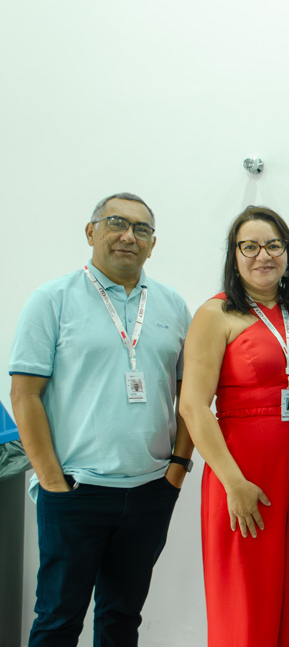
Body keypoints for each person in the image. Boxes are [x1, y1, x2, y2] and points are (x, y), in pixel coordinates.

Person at [9, 192, 193, 646]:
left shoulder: (172, 306)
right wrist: (52, 480)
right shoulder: (51, 300)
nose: (129, 236)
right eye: (116, 223)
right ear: (91, 232)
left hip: (150, 491)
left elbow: (190, 397)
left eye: (141, 229)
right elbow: (25, 395)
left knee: (121, 618)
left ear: (153, 244)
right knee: (58, 618)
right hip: (75, 490)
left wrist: (176, 469)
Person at [179, 206, 289, 647]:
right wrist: (233, 482)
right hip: (242, 473)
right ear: (234, 255)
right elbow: (193, 406)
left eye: (273, 245)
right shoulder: (216, 314)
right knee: (248, 598)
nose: (262, 255)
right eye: (249, 246)